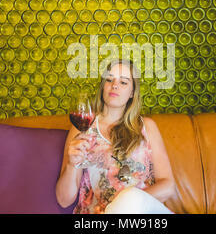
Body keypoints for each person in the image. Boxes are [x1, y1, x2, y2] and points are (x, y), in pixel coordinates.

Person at [56, 58, 176, 214]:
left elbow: (168, 186)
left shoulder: (146, 127)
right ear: (103, 86)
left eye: (124, 82)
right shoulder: (83, 127)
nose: (115, 85)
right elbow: (63, 200)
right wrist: (71, 165)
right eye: (109, 79)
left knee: (130, 199)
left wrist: (126, 203)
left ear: (132, 92)